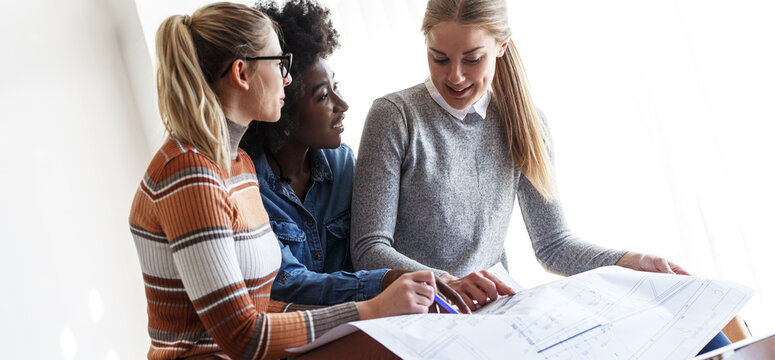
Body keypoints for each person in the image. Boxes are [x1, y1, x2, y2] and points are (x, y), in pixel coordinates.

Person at [348, 0, 729, 354]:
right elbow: (368, 251)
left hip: (497, 315)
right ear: (426, 45)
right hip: (422, 322)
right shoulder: (394, 117)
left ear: (501, 46)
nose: (456, 76)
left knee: (696, 329)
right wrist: (447, 280)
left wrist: (633, 260)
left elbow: (554, 245)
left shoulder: (526, 121)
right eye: (440, 58)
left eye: (472, 59)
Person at [128, 3, 440, 359]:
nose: (287, 78)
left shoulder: (237, 163)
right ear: (242, 73)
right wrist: (368, 310)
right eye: (279, 64)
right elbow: (241, 335)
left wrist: (376, 309)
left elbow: (266, 308)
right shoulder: (188, 173)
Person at [241, 0, 465, 309]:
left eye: (336, 87)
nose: (342, 104)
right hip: (298, 335)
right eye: (323, 96)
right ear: (283, 103)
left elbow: (378, 242)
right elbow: (289, 284)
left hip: (364, 324)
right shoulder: (248, 186)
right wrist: (385, 282)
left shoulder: (342, 164)